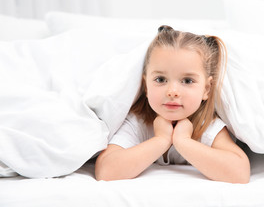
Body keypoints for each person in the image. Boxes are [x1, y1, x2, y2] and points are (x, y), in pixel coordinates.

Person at [95, 25, 250, 184]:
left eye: (187, 81)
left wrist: (183, 141)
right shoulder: (138, 122)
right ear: (146, 86)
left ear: (206, 89)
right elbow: (105, 170)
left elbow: (240, 173)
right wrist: (161, 139)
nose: (172, 91)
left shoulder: (207, 126)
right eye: (161, 79)